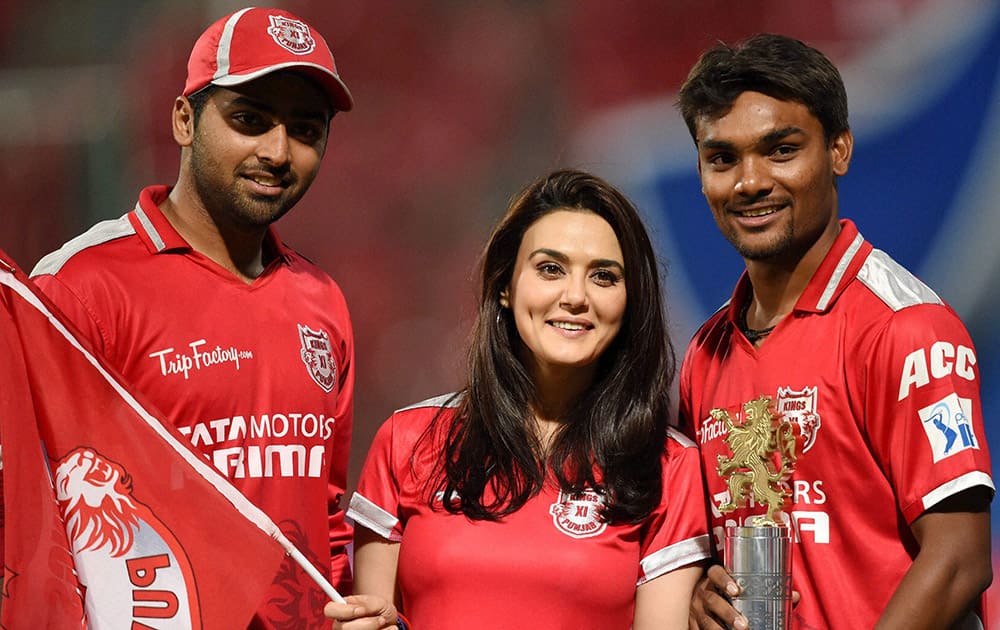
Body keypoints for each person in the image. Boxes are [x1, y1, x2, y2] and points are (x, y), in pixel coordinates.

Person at [29, 7, 361, 627]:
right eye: (249, 120)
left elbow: (328, 517)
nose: (277, 151)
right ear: (184, 120)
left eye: (307, 129)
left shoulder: (323, 300)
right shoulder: (82, 286)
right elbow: (29, 514)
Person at [675, 33, 994, 629]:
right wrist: (697, 594)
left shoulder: (907, 327)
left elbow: (959, 561)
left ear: (839, 149)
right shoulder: (704, 354)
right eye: (722, 158)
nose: (749, 182)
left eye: (781, 150)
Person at [325, 169, 712, 629]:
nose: (575, 297)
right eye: (550, 269)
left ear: (630, 301)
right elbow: (371, 616)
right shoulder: (406, 440)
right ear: (505, 286)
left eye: (604, 277)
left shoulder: (668, 467)